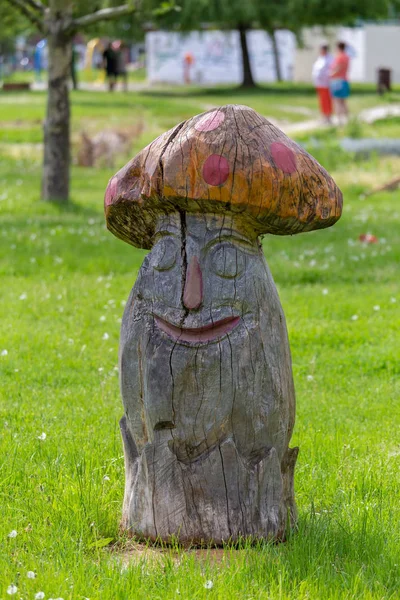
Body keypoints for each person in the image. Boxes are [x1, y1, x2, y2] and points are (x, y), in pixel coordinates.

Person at [329, 41, 350, 124]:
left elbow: (338, 68)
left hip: (337, 80)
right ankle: (348, 120)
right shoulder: (347, 57)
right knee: (343, 101)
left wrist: (330, 74)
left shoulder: (340, 57)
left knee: (337, 101)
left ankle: (339, 120)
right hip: (344, 80)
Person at [312, 44, 334, 124]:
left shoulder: (330, 59)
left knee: (327, 100)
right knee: (321, 100)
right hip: (319, 83)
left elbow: (331, 70)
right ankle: (323, 116)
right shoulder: (320, 58)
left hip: (326, 83)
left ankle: (328, 117)